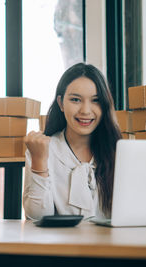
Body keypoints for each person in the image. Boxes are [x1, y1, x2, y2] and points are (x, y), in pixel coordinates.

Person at [23, 62, 122, 220]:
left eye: (95, 100)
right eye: (76, 100)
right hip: (63, 244)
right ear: (61, 103)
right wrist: (39, 161)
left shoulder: (119, 151)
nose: (85, 110)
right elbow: (36, 218)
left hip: (110, 244)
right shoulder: (42, 149)